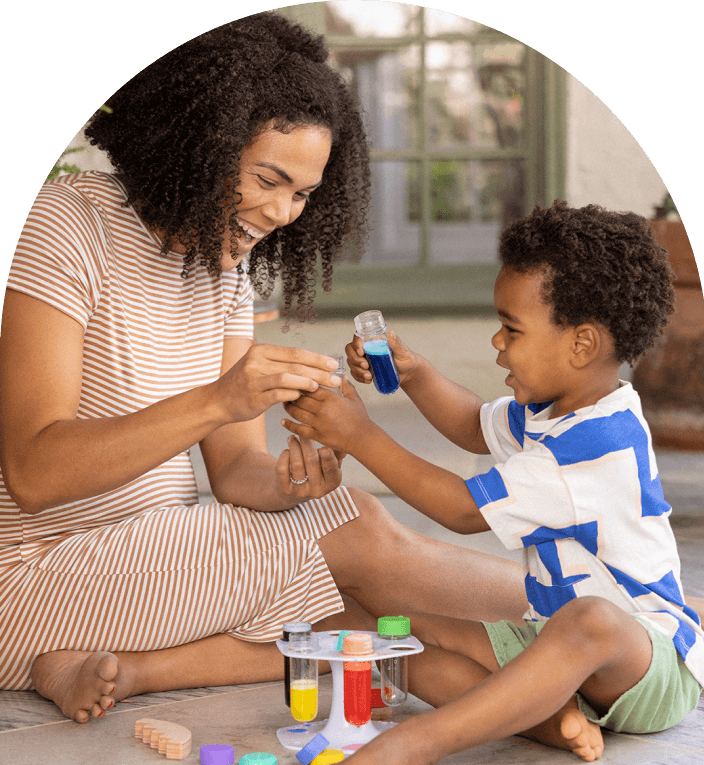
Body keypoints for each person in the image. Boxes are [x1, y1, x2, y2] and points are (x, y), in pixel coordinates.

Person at [0, 12, 530, 724]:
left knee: (361, 594)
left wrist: (289, 481)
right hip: (33, 575)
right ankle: (617, 613)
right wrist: (221, 398)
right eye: (269, 179)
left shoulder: (225, 272)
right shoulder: (65, 224)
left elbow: (237, 471)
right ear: (200, 143)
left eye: (304, 194)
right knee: (356, 535)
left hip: (153, 562)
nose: (283, 212)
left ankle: (597, 637)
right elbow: (33, 473)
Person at [283, 200, 704, 763]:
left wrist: (362, 437)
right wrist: (416, 373)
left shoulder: (593, 445)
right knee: (405, 637)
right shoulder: (555, 409)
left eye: (512, 329)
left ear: (582, 344)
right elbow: (472, 424)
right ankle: (551, 719)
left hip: (642, 661)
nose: (496, 343)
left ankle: (413, 744)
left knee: (591, 620)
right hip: (550, 643)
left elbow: (461, 509)